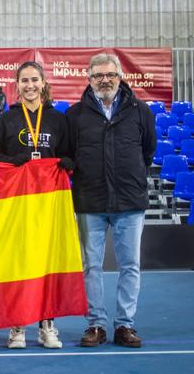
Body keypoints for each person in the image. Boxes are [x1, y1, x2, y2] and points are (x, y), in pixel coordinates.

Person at [67, 53, 156, 348]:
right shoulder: (75, 115)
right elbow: (68, 155)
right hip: (89, 201)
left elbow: (147, 151)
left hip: (129, 201)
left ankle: (124, 326)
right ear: (89, 78)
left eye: (110, 75)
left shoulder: (141, 111)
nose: (104, 80)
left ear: (120, 76)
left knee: (130, 265)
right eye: (98, 75)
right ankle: (96, 325)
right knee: (91, 266)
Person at [0, 61, 74, 349]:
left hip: (49, 202)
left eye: (34, 80)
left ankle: (47, 324)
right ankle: (17, 326)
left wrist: (67, 162)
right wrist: (11, 162)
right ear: (17, 84)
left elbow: (68, 154)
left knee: (48, 262)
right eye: (24, 81)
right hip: (17, 203)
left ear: (43, 83)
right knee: (20, 264)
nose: (30, 86)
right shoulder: (5, 120)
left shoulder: (58, 120)